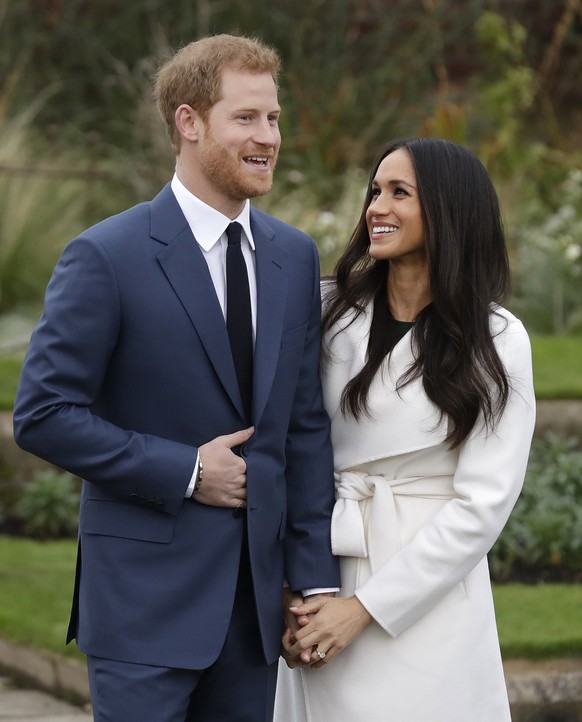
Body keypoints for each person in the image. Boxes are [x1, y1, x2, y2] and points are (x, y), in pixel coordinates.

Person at [13, 34, 340, 722]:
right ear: (189, 123)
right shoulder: (106, 255)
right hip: (142, 612)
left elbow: (303, 431)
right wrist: (188, 471)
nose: (268, 137)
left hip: (253, 619)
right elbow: (43, 413)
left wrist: (311, 581)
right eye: (246, 118)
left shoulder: (293, 256)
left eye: (274, 118)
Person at [274, 137, 536, 722]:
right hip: (322, 568)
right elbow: (290, 446)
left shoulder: (497, 339)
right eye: (375, 191)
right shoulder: (326, 311)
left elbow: (482, 507)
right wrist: (293, 587)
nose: (377, 207)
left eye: (399, 193)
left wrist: (364, 608)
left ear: (448, 210)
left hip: (426, 595)